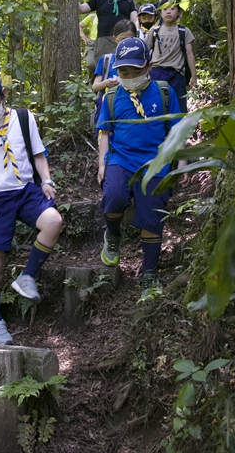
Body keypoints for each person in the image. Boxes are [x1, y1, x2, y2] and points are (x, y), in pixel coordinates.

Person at [0, 71, 63, 345]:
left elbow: (38, 154)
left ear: (3, 95)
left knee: (53, 221)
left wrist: (47, 180)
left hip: (25, 189)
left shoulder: (24, 118)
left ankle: (27, 277)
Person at [96, 37, 188, 290]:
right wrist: (103, 163)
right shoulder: (112, 96)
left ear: (148, 66)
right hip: (121, 159)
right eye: (124, 71)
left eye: (135, 70)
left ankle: (149, 274)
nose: (129, 75)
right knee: (113, 197)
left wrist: (181, 163)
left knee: (151, 218)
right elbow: (104, 132)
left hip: (155, 164)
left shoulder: (164, 92)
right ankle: (113, 234)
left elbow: (177, 131)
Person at [79, 0, 138, 68]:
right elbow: (81, 9)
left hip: (124, 39)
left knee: (123, 67)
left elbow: (135, 20)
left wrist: (136, 37)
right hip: (103, 40)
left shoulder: (128, 0)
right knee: (103, 69)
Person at [145, 1, 197, 113]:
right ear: (160, 13)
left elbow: (189, 54)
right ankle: (159, 129)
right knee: (155, 106)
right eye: (165, 9)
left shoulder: (184, 31)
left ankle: (178, 130)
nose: (168, 12)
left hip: (177, 74)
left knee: (179, 107)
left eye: (172, 8)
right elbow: (145, 51)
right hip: (156, 72)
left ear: (179, 12)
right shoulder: (154, 31)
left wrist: (194, 76)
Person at [90, 20, 137, 137]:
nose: (126, 43)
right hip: (108, 103)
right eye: (122, 39)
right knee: (107, 135)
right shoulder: (106, 60)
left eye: (129, 39)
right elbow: (95, 86)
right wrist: (107, 83)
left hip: (132, 103)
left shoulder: (140, 60)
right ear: (115, 39)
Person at [79, 13, 98, 81]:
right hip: (92, 44)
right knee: (91, 64)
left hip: (105, 43)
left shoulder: (110, 16)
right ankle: (92, 84)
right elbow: (79, 26)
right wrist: (85, 38)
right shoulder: (93, 16)